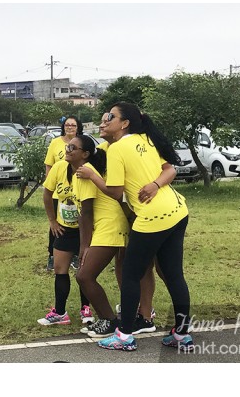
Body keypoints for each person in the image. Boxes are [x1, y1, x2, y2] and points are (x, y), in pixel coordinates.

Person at [78, 102, 193, 352]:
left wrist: (93, 176)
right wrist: (155, 184)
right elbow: (169, 169)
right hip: (178, 210)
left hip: (152, 217)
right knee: (174, 275)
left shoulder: (119, 149)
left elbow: (115, 192)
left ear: (125, 123)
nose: (106, 119)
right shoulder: (147, 139)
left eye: (111, 116)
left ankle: (124, 335)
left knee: (131, 274)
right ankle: (182, 334)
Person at [38, 131, 94, 328]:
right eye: (67, 147)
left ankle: (86, 308)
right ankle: (60, 312)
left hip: (86, 230)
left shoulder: (90, 171)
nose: (67, 150)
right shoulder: (60, 167)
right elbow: (47, 194)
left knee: (84, 270)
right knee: (60, 269)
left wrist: (86, 241)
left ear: (85, 154)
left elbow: (89, 210)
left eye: (72, 147)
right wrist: (53, 221)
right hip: (63, 228)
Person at [43, 116, 83, 271]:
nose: (70, 127)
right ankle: (53, 255)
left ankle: (75, 255)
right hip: (58, 192)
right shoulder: (55, 143)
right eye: (67, 125)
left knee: (78, 223)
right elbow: (49, 165)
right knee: (56, 225)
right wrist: (50, 183)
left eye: (73, 125)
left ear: (78, 127)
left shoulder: (82, 142)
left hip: (78, 191)